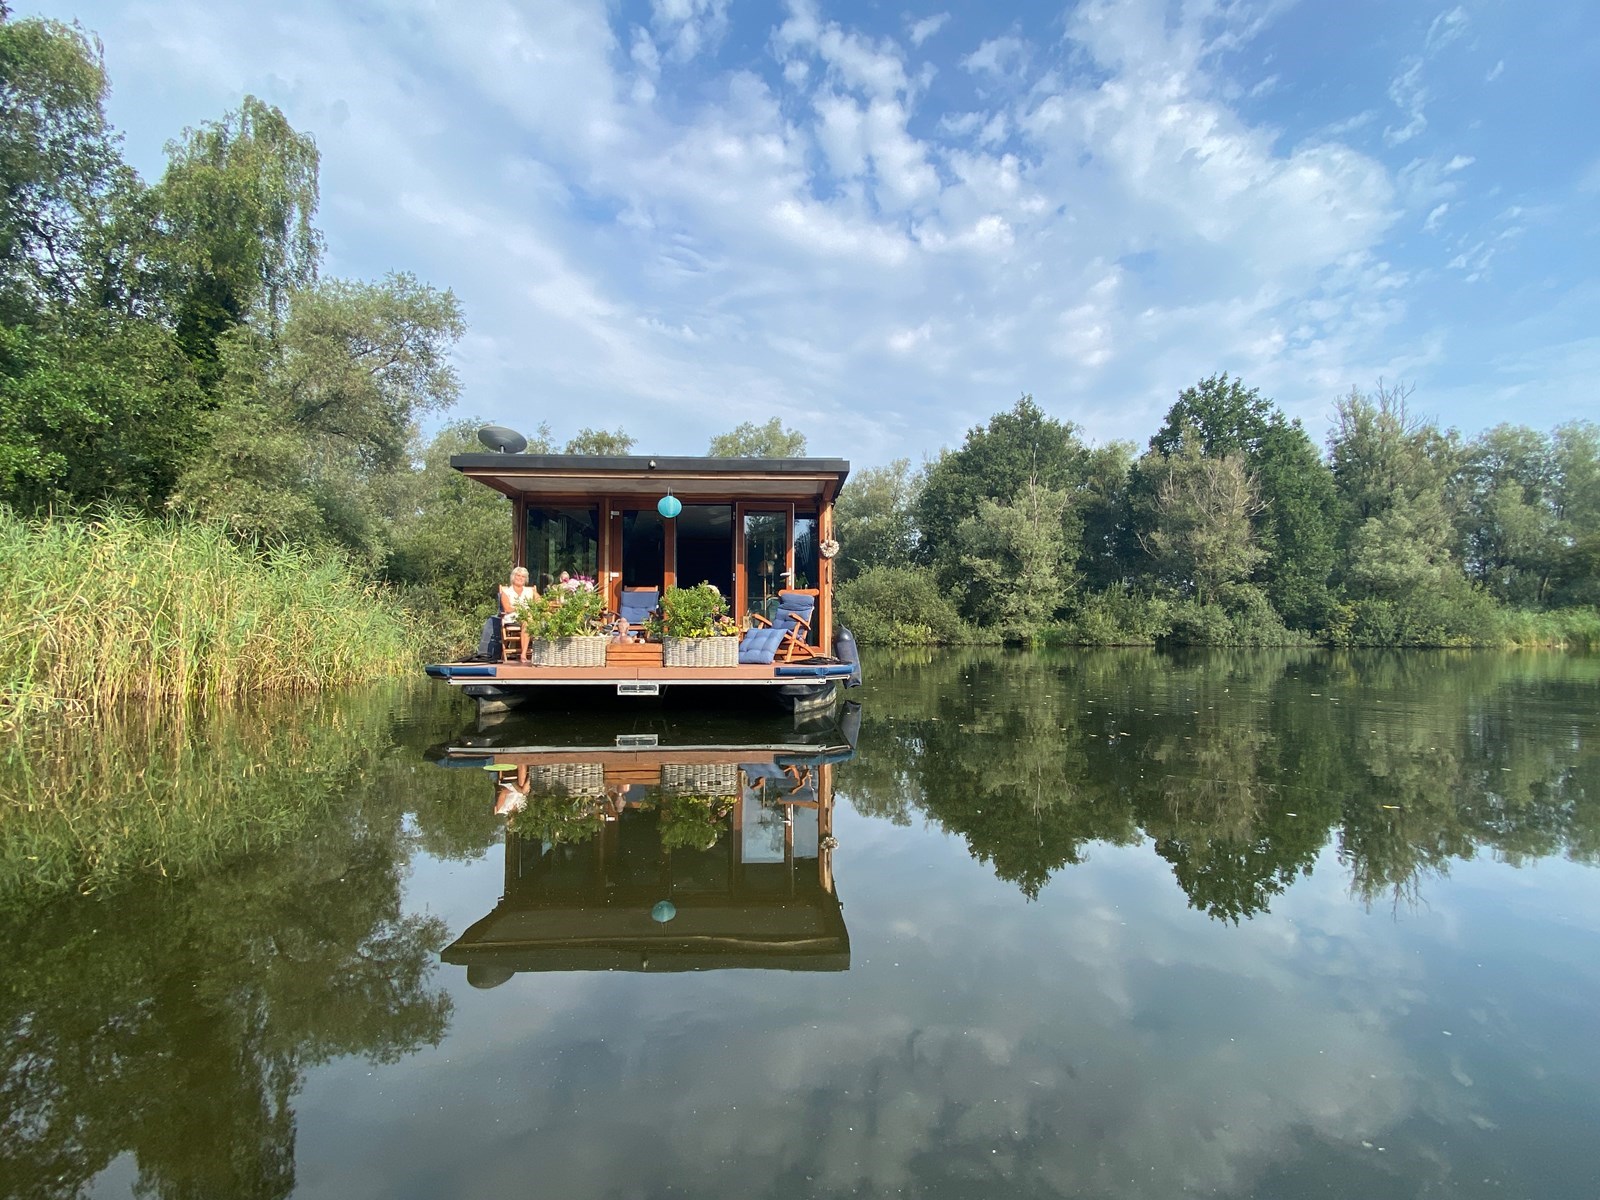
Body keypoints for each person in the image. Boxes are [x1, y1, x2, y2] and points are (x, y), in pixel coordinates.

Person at [476, 566, 538, 661]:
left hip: (528, 616)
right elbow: (507, 608)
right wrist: (521, 609)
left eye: (523, 576)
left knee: (532, 620)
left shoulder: (530, 591)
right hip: (513, 616)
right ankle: (524, 654)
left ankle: (539, 653)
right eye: (518, 575)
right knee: (528, 620)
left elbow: (541, 602)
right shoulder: (506, 592)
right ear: (513, 577)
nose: (520, 578)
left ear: (526, 579)